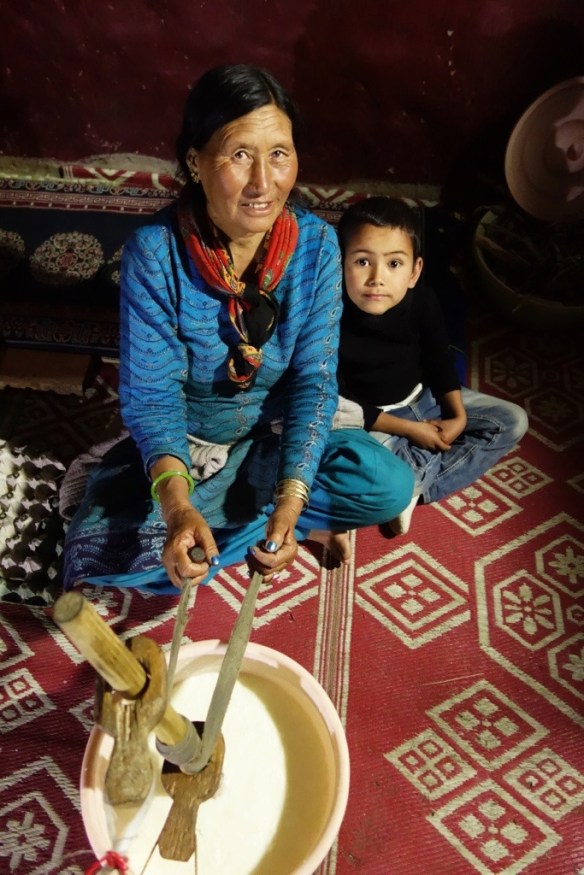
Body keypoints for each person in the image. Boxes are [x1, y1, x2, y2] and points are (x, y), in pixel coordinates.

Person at [62, 66, 415, 594]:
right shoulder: (154, 256)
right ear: (195, 162)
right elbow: (153, 396)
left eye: (279, 154)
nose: (263, 183)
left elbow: (314, 381)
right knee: (100, 562)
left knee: (386, 485)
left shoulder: (316, 246)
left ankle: (280, 522)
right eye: (239, 155)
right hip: (191, 441)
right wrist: (178, 508)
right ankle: (244, 528)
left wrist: (291, 500)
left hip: (273, 437)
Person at [334, 196, 529, 534]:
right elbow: (343, 402)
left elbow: (439, 359)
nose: (377, 278)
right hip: (373, 423)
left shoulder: (422, 300)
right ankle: (405, 482)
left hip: (424, 399)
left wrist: (458, 416)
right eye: (362, 261)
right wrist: (412, 431)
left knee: (513, 421)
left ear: (415, 271)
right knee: (364, 469)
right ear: (340, 264)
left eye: (394, 264)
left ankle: (411, 489)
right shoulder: (330, 316)